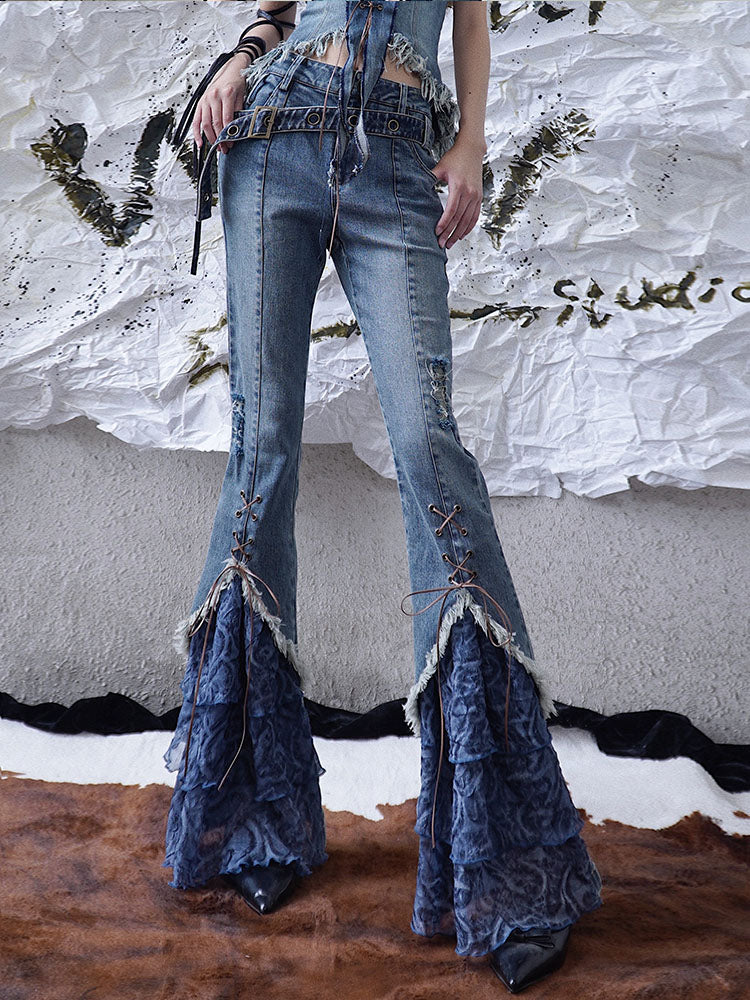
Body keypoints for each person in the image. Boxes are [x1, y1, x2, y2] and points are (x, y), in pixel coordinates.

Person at [162, 1, 603, 992]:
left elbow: (471, 17)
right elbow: (280, 10)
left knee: (428, 446)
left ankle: (505, 863)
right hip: (275, 136)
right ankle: (253, 822)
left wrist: (472, 141)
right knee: (262, 447)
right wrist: (242, 56)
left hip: (400, 153)